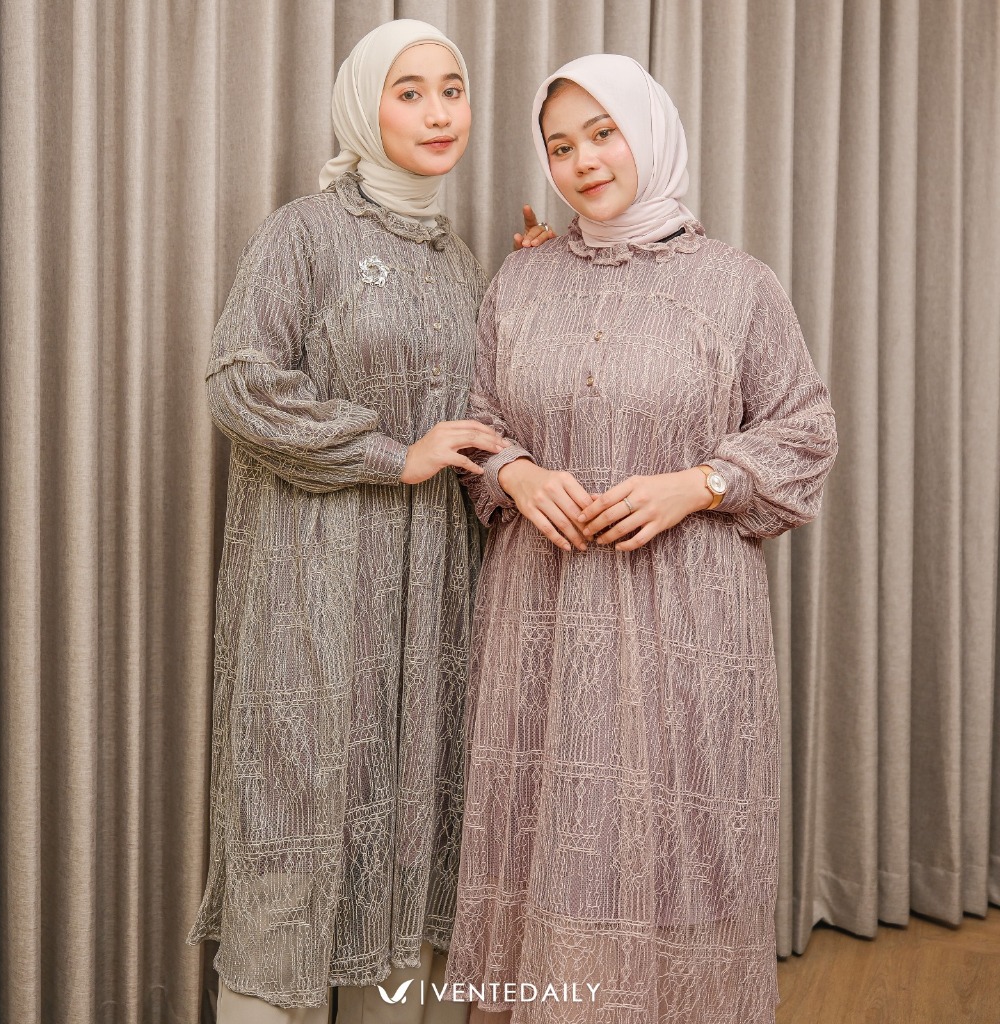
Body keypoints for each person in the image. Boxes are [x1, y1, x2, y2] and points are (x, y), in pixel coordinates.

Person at [444, 54, 838, 1024]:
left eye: (603, 133)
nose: (583, 161)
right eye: (559, 146)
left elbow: (805, 430)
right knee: (552, 837)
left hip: (686, 620)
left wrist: (697, 484)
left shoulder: (737, 286)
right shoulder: (521, 277)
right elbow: (481, 418)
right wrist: (515, 472)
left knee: (679, 844)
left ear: (648, 134)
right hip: (541, 616)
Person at [188, 20, 551, 1023]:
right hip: (310, 592)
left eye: (452, 90)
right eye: (410, 91)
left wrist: (535, 284)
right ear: (364, 108)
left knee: (403, 850)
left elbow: (489, 410)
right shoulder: (305, 231)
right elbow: (239, 384)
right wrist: (396, 452)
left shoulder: (461, 262)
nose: (438, 113)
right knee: (291, 845)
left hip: (428, 602)